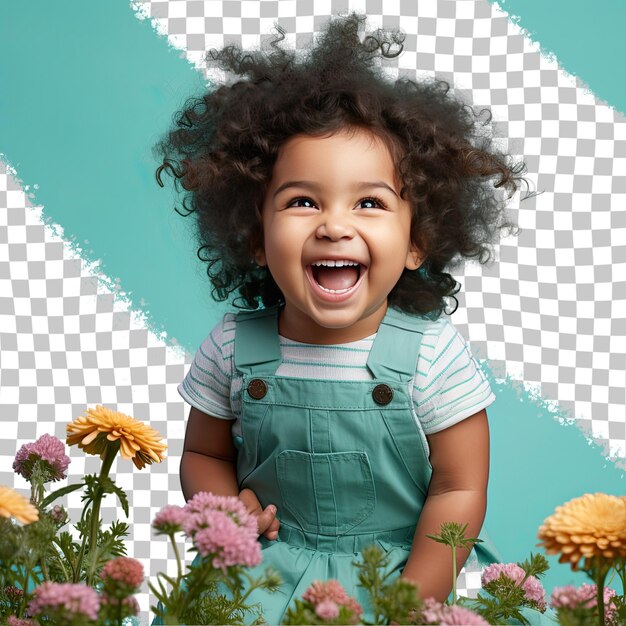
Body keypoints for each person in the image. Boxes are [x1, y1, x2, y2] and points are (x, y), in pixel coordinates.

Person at [154, 13, 546, 625]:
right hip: (260, 574)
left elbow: (459, 489)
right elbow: (203, 454)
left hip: (397, 575)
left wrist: (415, 598)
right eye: (303, 201)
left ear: (418, 241)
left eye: (369, 202)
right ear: (256, 236)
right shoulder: (234, 346)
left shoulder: (433, 356)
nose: (335, 225)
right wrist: (226, 516)